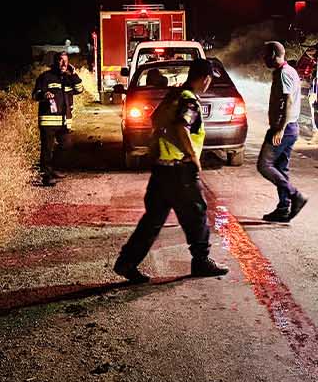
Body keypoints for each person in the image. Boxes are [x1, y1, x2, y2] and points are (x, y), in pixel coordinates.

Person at [113, 59, 229, 282]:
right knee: (197, 214)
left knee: (152, 220)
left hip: (161, 169)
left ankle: (126, 263)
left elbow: (155, 119)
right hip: (180, 170)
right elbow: (180, 127)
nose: (209, 83)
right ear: (204, 78)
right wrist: (193, 156)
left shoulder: (174, 95)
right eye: (209, 79)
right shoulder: (190, 101)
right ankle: (201, 261)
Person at [257, 40, 307, 223]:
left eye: (265, 55)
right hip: (289, 128)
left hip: (284, 129)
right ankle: (284, 208)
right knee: (280, 168)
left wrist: (280, 129)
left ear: (272, 55)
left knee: (264, 165)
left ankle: (295, 195)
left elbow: (288, 102)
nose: (263, 59)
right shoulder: (287, 72)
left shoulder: (284, 74)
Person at [32, 51, 84, 186]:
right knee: (47, 149)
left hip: (64, 121)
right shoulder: (45, 77)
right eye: (61, 60)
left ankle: (53, 168)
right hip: (48, 120)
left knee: (66, 145)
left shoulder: (69, 78)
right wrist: (44, 94)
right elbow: (35, 94)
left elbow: (79, 89)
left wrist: (73, 74)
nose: (64, 63)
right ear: (55, 62)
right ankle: (46, 176)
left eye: (66, 61)